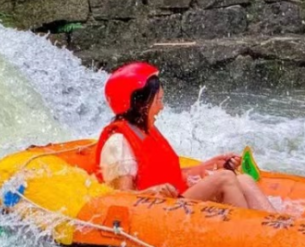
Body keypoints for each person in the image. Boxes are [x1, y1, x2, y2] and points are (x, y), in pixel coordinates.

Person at [95, 62, 274, 210]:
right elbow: (122, 199)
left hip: (172, 201)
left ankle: (282, 227)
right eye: (158, 101)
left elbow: (170, 174)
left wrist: (212, 165)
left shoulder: (145, 131)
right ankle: (252, 237)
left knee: (243, 179)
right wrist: (151, 191)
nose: (162, 107)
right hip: (155, 211)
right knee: (225, 179)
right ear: (140, 105)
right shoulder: (118, 144)